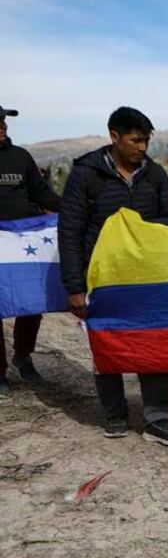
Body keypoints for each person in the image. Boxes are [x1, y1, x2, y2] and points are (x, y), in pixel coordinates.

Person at [58, 107, 168, 445]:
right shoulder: (86, 175)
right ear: (114, 136)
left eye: (146, 141)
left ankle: (158, 418)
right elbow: (70, 231)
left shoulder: (155, 175)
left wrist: (136, 229)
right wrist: (74, 287)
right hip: (102, 280)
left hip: (148, 279)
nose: (142, 147)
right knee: (107, 344)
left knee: (155, 346)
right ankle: (115, 414)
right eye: (136, 140)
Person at [0, 104, 61, 401]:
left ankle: (22, 356)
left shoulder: (21, 157)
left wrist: (69, 207)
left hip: (23, 242)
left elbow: (41, 192)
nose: (2, 126)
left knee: (31, 301)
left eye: (3, 121)